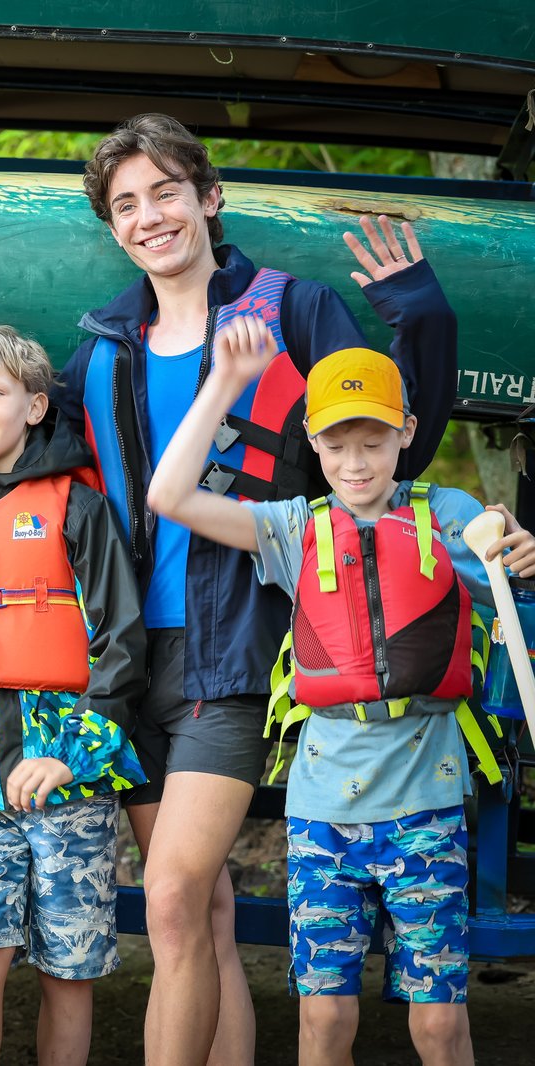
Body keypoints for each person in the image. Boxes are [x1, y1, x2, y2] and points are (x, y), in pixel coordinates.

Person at [0, 111, 457, 1064]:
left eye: (166, 191)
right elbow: (17, 459)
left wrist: (424, 320)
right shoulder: (107, 348)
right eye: (125, 204)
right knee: (201, 911)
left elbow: (385, 439)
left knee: (167, 897)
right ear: (114, 229)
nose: (149, 215)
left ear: (208, 199)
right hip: (127, 664)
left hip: (236, 650)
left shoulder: (291, 311)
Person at [147, 325, 535, 1066]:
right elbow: (170, 494)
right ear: (312, 443)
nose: (354, 463)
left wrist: (520, 549)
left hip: (426, 804)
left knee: (438, 1026)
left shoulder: (448, 515)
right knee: (325, 1021)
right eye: (336, 444)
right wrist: (226, 383)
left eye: (374, 441)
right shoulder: (293, 528)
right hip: (324, 816)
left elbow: (509, 564)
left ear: (406, 433)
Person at [0, 323, 147, 1066]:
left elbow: (122, 642)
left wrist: (76, 755)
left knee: (66, 973)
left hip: (68, 758)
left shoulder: (78, 508)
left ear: (36, 407)